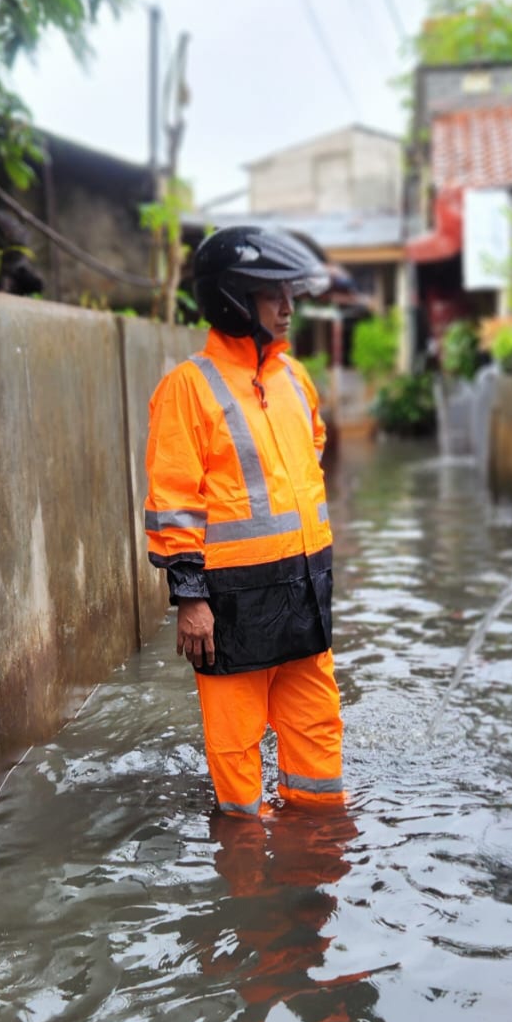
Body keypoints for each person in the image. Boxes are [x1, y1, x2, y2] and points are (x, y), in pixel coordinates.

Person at [143, 226, 345, 819]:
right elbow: (173, 499)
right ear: (233, 297)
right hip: (232, 607)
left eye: (290, 292)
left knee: (319, 744)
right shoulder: (190, 387)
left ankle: (319, 850)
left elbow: (310, 460)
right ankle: (248, 880)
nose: (287, 307)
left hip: (305, 593)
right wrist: (190, 596)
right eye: (271, 293)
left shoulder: (294, 381)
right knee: (236, 757)